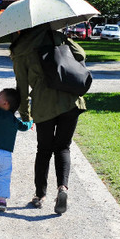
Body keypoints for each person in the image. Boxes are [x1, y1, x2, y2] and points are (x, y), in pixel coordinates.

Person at [10, 25, 86, 214]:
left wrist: (25, 115)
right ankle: (63, 188)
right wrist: (62, 38)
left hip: (44, 105)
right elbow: (80, 55)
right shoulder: (56, 36)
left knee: (44, 150)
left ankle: (40, 195)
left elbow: (22, 87)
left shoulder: (21, 50)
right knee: (63, 147)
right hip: (70, 99)